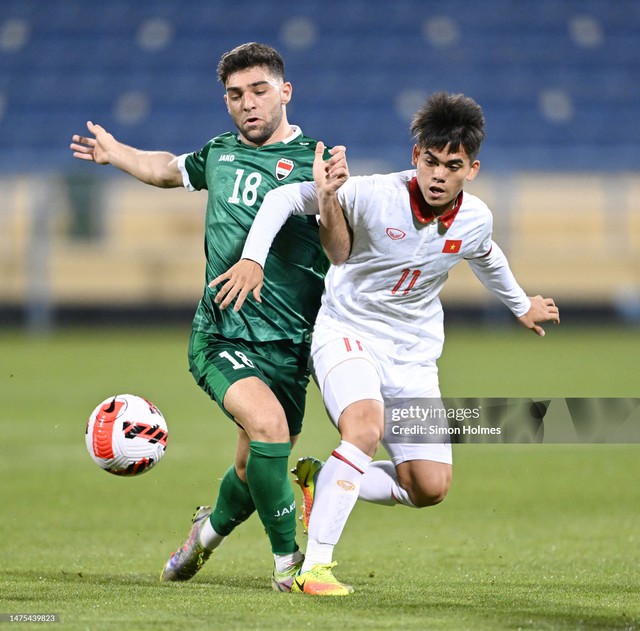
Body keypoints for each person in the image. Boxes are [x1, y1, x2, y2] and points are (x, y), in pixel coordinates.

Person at [211, 92, 561, 596]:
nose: (439, 175)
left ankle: (321, 477)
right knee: (364, 428)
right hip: (347, 335)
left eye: (452, 166)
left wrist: (520, 304)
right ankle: (315, 567)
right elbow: (283, 198)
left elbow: (484, 253)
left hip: (413, 356)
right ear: (415, 155)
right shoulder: (373, 193)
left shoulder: (475, 218)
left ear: (473, 169)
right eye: (431, 161)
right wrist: (254, 258)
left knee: (428, 487)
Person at [69, 42, 347, 591]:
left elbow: (338, 249)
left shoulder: (319, 158)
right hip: (222, 331)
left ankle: (204, 538)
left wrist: (331, 197)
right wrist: (116, 151)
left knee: (253, 467)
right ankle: (290, 565)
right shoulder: (219, 154)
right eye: (235, 95)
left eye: (259, 91)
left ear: (285, 92)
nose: (248, 104)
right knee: (267, 429)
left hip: (290, 342)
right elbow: (166, 170)